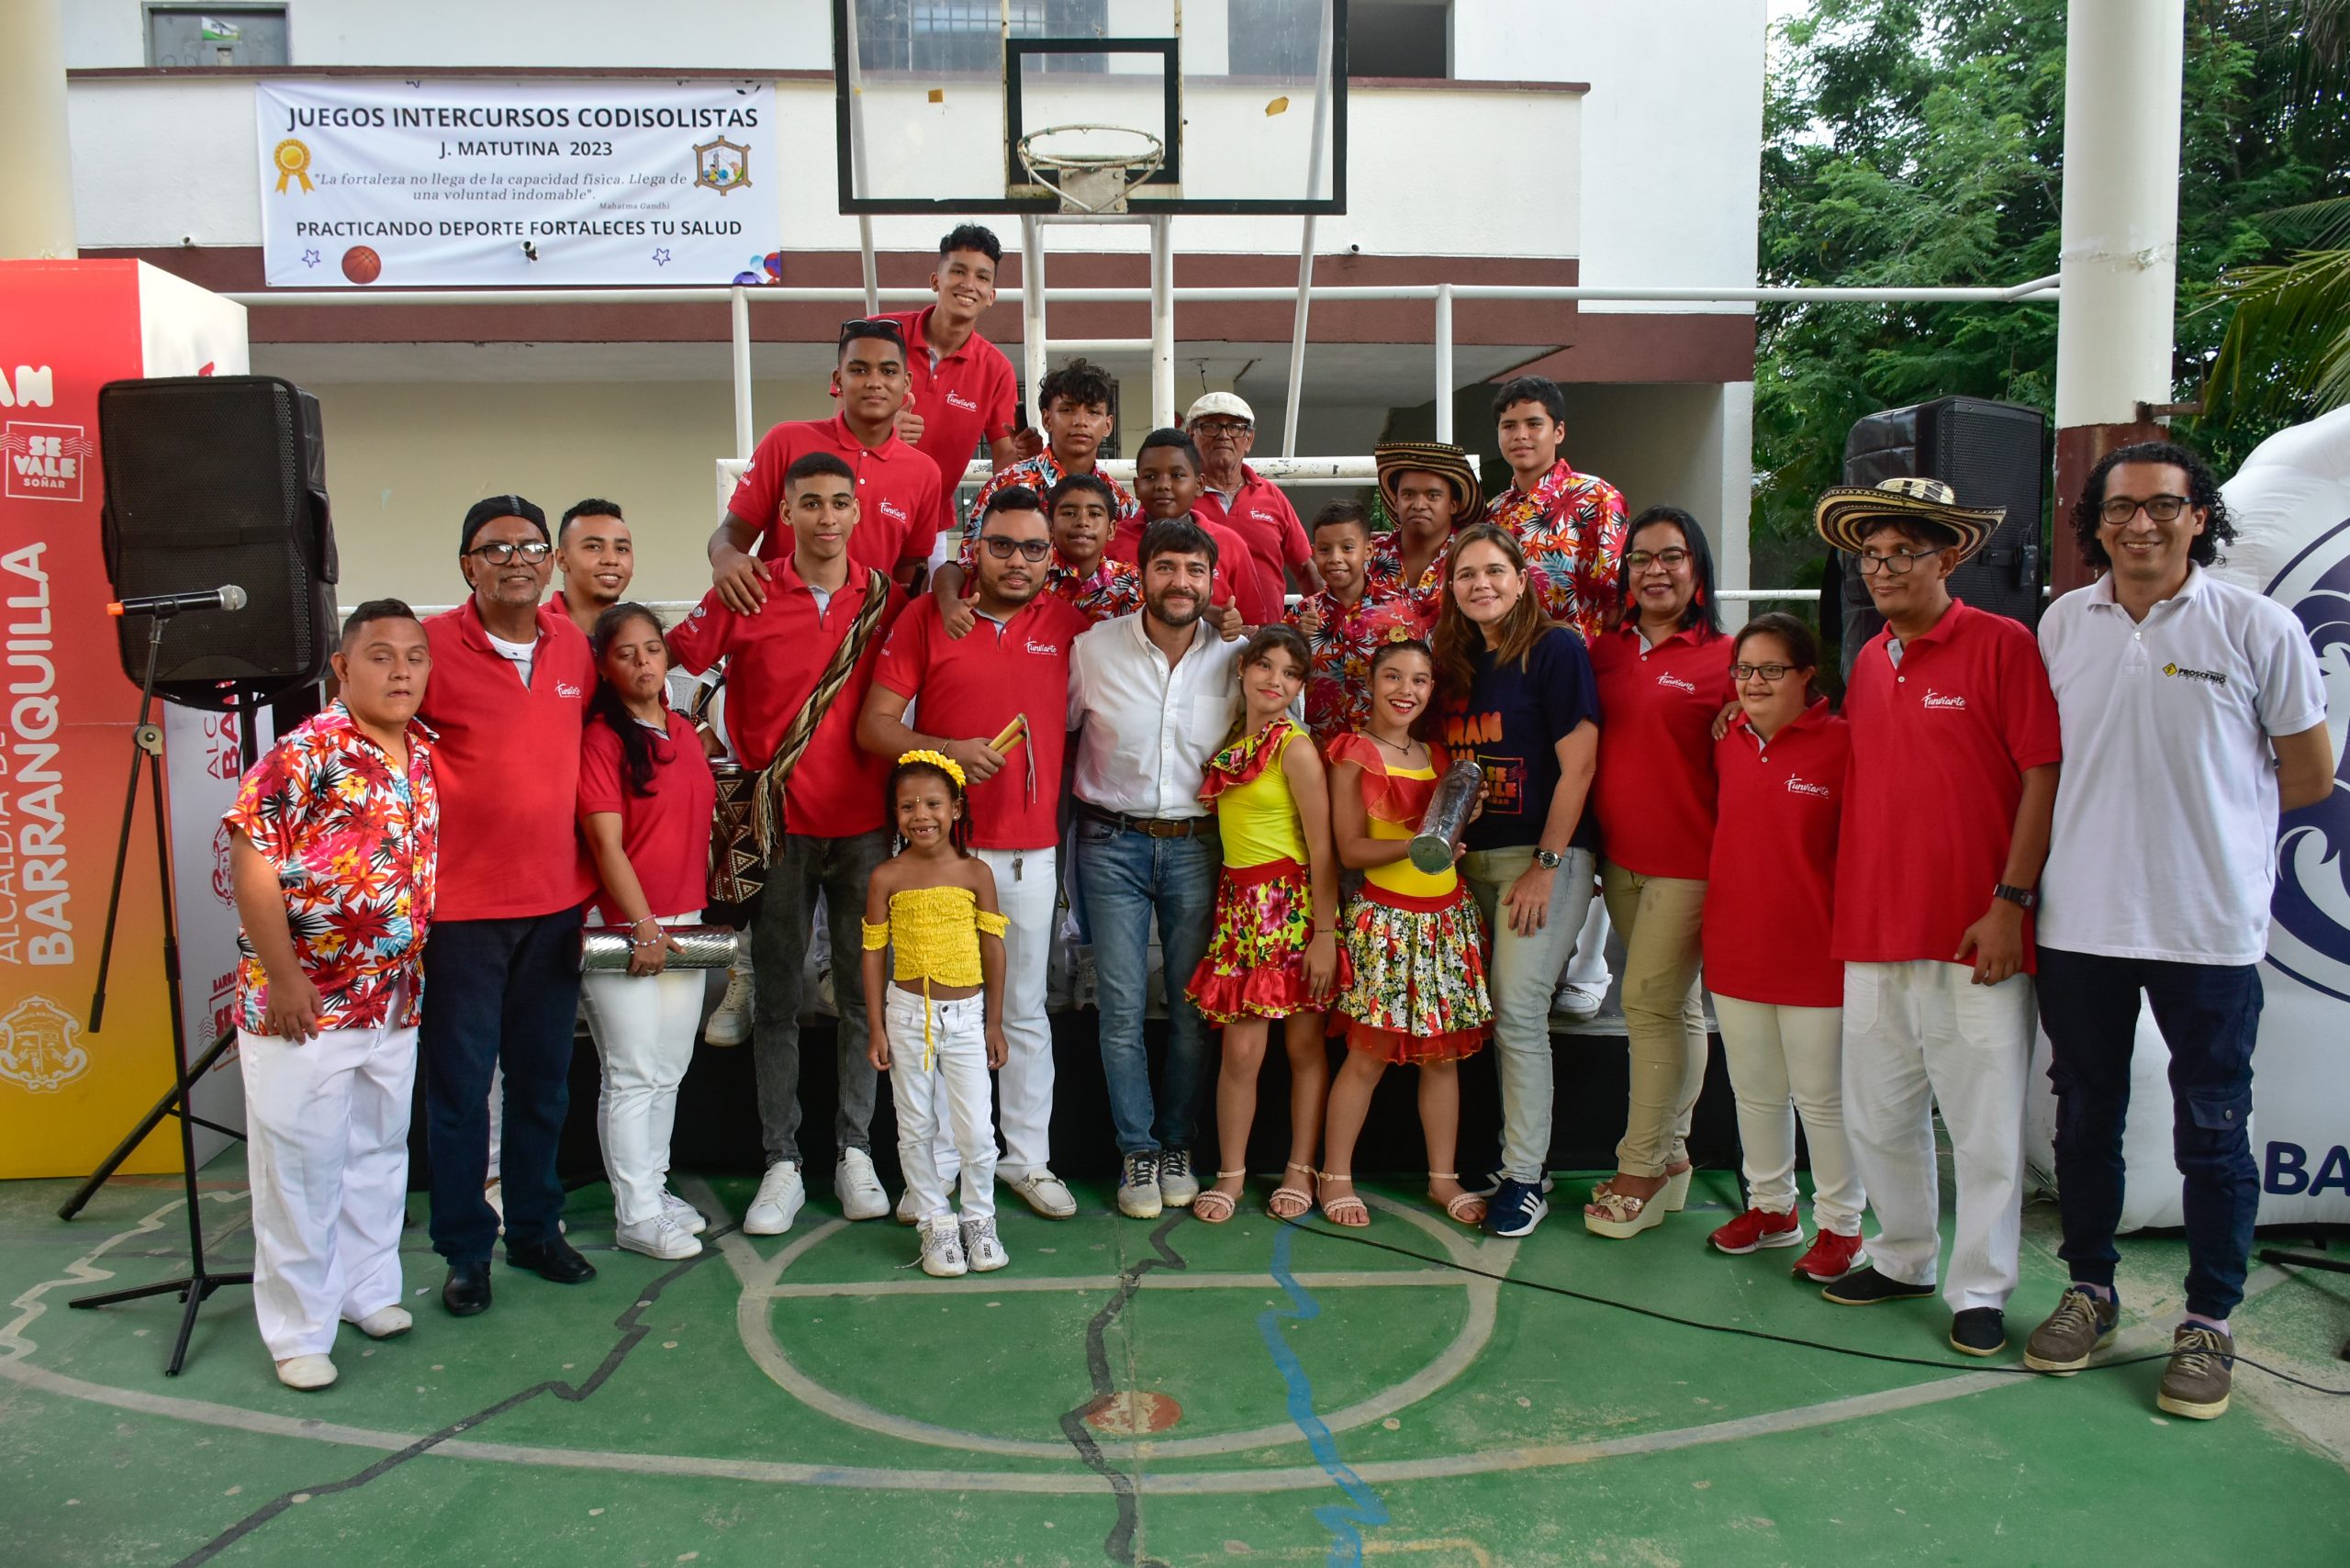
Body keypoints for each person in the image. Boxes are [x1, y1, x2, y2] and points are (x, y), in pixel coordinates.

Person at [2024, 442, 2333, 1417]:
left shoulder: (2257, 625)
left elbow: (2309, 773)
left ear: (2199, 515)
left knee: (2212, 1130)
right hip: (2081, 922)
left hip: (2207, 930)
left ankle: (2208, 1322)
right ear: (2095, 523)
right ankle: (2090, 1289)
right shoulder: (2062, 623)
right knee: (2085, 1122)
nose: (2139, 524)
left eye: (2163, 506)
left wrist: (2214, 827)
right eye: (2119, 509)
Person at [1813, 476, 2062, 1360]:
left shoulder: (2002, 645)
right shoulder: (1869, 662)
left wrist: (2010, 902)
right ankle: (1904, 1256)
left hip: (1975, 934)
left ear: (1948, 556)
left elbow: (2041, 772)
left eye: (1902, 554)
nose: (1881, 570)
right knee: (1878, 1115)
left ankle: (1982, 1288)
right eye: (1870, 555)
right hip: (1874, 926)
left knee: (1984, 1125)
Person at [669, 452, 907, 1237]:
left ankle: (853, 1152)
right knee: (774, 1000)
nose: (828, 517)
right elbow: (670, 663)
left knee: (858, 998)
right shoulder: (745, 588)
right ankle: (781, 1162)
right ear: (786, 513)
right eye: (810, 503)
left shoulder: (885, 600)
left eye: (841, 502)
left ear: (857, 512)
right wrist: (682, 754)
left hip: (868, 828)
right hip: (775, 829)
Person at [859, 486, 1091, 1221]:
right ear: (974, 548)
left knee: (1021, 1011)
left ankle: (1027, 1161)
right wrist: (945, 749)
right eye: (1001, 545)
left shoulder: (1072, 626)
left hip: (1027, 857)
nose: (1017, 561)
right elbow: (875, 727)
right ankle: (941, 1172)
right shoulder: (929, 617)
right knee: (939, 1016)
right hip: (943, 864)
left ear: (1050, 557)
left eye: (1032, 548)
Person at [226, 600, 438, 1391]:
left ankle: (365, 1290)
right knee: (301, 1170)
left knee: (377, 1155)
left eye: (415, 656)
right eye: (381, 656)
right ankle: (297, 1331)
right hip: (306, 1002)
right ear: (342, 668)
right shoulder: (305, 751)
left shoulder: (419, 753)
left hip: (394, 999)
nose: (402, 671)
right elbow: (252, 864)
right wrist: (284, 977)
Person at [420, 497, 600, 1317]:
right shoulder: (427, 648)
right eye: (496, 550)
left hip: (556, 904)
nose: (516, 560)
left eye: (531, 547)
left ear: (551, 563)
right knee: (461, 1089)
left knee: (543, 1083)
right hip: (459, 912)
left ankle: (534, 1229)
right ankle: (465, 1250)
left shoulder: (573, 645)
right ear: (467, 566)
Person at [1068, 516, 1247, 1219]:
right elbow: (1057, 738)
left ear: (1212, 581)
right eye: (1167, 567)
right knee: (1119, 1008)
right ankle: (1136, 1151)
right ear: (1140, 574)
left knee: (1190, 1007)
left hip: (1200, 845)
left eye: (1196, 570)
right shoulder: (1091, 651)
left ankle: (1178, 1142)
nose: (1182, 582)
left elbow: (1278, 726)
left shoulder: (1237, 655)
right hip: (1109, 842)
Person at [1436, 522, 1601, 1238]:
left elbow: (1581, 764)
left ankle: (1526, 1175)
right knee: (1483, 1014)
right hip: (1474, 862)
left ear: (1521, 576)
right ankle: (1507, 1156)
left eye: (1494, 570)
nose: (1481, 584)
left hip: (1543, 858)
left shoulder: (1555, 648)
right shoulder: (1457, 662)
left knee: (1519, 1010)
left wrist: (1547, 865)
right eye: (1466, 573)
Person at [1581, 507, 1732, 1239]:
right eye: (1640, 558)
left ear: (1697, 569)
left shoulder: (1728, 660)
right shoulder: (1604, 651)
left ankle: (1638, 1166)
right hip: (1623, 863)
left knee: (1644, 1002)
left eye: (1672, 557)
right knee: (1678, 1010)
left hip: (1692, 865)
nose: (1655, 571)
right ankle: (1674, 1157)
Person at [1703, 613, 1866, 1282]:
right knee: (1756, 1092)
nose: (1754, 681)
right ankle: (1772, 1208)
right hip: (1737, 943)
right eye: (1744, 669)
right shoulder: (1727, 739)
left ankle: (1843, 1225)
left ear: (1807, 675)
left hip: (1816, 952)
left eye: (1771, 669)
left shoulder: (1845, 745)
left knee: (1822, 1098)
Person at [1321, 636, 1495, 1229]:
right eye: (1393, 677)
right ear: (1370, 684)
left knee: (1442, 1060)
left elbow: (1449, 836)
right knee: (1366, 1056)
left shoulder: (1440, 757)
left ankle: (1442, 1178)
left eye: (1419, 681)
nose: (1406, 691)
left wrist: (1460, 820)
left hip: (1447, 920)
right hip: (1386, 921)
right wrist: (1422, 844)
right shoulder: (1353, 752)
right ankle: (1335, 1175)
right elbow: (1349, 849)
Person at [577, 602, 719, 1262]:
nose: (642, 662)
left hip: (684, 922)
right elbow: (606, 847)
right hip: (624, 926)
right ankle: (634, 1213)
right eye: (626, 652)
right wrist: (641, 926)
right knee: (632, 1071)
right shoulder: (602, 740)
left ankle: (654, 1192)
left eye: (652, 649)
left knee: (668, 1069)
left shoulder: (684, 732)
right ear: (604, 666)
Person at [1188, 625, 1343, 1224]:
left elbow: (1323, 847)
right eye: (1265, 666)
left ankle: (1301, 1168)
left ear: (1301, 685)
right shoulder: (1234, 742)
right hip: (1239, 909)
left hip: (1290, 908)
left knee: (1303, 1045)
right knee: (1241, 1052)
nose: (1275, 681)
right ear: (1243, 670)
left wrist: (1325, 935)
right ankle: (1232, 1173)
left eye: (1290, 673)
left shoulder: (1294, 748)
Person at [1484, 375, 1626, 1025]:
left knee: (1589, 806)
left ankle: (1590, 968)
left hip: (1582, 671)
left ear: (1558, 430)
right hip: (1516, 680)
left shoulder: (1595, 498)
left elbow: (1616, 592)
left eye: (1533, 424)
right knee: (1547, 796)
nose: (1521, 436)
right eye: (1510, 425)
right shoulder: (1493, 513)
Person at [861, 751, 1012, 1278]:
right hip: (906, 1018)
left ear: (955, 807)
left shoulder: (976, 873)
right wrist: (877, 1025)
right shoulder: (887, 876)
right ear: (895, 814)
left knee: (976, 1132)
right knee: (915, 1126)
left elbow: (993, 947)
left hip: (969, 1017)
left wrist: (994, 1022)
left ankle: (980, 1219)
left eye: (932, 803)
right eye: (907, 806)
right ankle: (935, 1221)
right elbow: (873, 952)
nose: (920, 815)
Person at [708, 318, 946, 612]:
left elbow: (911, 567)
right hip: (776, 628)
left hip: (863, 644)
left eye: (888, 371)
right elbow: (732, 532)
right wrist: (726, 558)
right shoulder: (786, 441)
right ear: (837, 380)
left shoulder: (924, 473)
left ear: (906, 382)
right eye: (859, 370)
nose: (874, 382)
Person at [933, 356, 1136, 624]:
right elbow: (969, 565)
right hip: (1017, 635)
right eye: (1068, 410)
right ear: (1047, 419)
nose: (1080, 421)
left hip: (1097, 636)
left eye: (1093, 412)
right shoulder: (1007, 485)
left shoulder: (1119, 501)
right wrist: (949, 602)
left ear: (1108, 425)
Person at [877, 225, 1034, 498]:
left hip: (931, 524)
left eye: (982, 277)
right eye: (959, 271)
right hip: (861, 510)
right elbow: (838, 424)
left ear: (991, 296)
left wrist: (1026, 458)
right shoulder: (879, 335)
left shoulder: (996, 370)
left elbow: (1005, 462)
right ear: (936, 281)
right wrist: (880, 432)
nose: (969, 284)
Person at [1290, 500, 1423, 748]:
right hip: (1322, 751)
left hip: (1385, 751)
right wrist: (1297, 639)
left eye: (1347, 548)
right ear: (1313, 552)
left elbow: (1418, 682)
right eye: (1325, 549)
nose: (1335, 558)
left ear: (1369, 551)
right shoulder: (1301, 616)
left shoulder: (1399, 613)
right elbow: (1284, 677)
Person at [1121, 428, 1274, 630]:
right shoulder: (1113, 542)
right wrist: (1204, 611)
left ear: (1199, 485)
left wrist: (1234, 625)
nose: (1163, 485)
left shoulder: (1230, 544)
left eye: (1177, 475)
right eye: (1150, 477)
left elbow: (1253, 625)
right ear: (1137, 486)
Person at [1186, 390, 1318, 603]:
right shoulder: (1178, 496)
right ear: (1191, 435)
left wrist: (1331, 624)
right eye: (1211, 426)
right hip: (1198, 634)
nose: (1224, 435)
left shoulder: (1272, 495)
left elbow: (1304, 567)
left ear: (1249, 440)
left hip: (1267, 634)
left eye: (1236, 427)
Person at [1371, 441, 1486, 604]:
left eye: (1433, 495)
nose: (1418, 505)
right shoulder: (1368, 557)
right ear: (1396, 503)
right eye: (1408, 495)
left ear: (1453, 505)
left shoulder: (1474, 557)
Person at [1041, 473, 1143, 625]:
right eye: (1069, 513)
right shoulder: (1034, 576)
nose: (1082, 522)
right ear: (1050, 527)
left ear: (1111, 530)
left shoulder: (1131, 583)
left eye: (1094, 514)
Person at [554, 498, 633, 637]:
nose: (611, 560)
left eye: (621, 549)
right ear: (562, 559)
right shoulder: (532, 630)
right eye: (594, 547)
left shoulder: (636, 635)